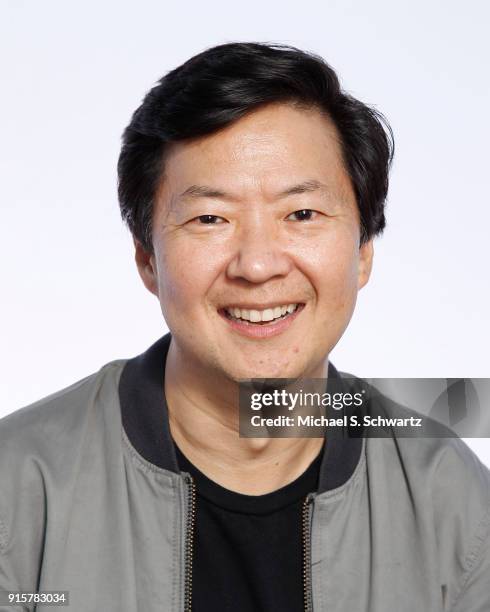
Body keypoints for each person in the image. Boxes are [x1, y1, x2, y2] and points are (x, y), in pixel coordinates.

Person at [1, 42, 488, 612]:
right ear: (147, 259)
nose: (257, 266)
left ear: (362, 252)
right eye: (211, 218)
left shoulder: (449, 497)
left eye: (301, 214)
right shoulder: (19, 489)